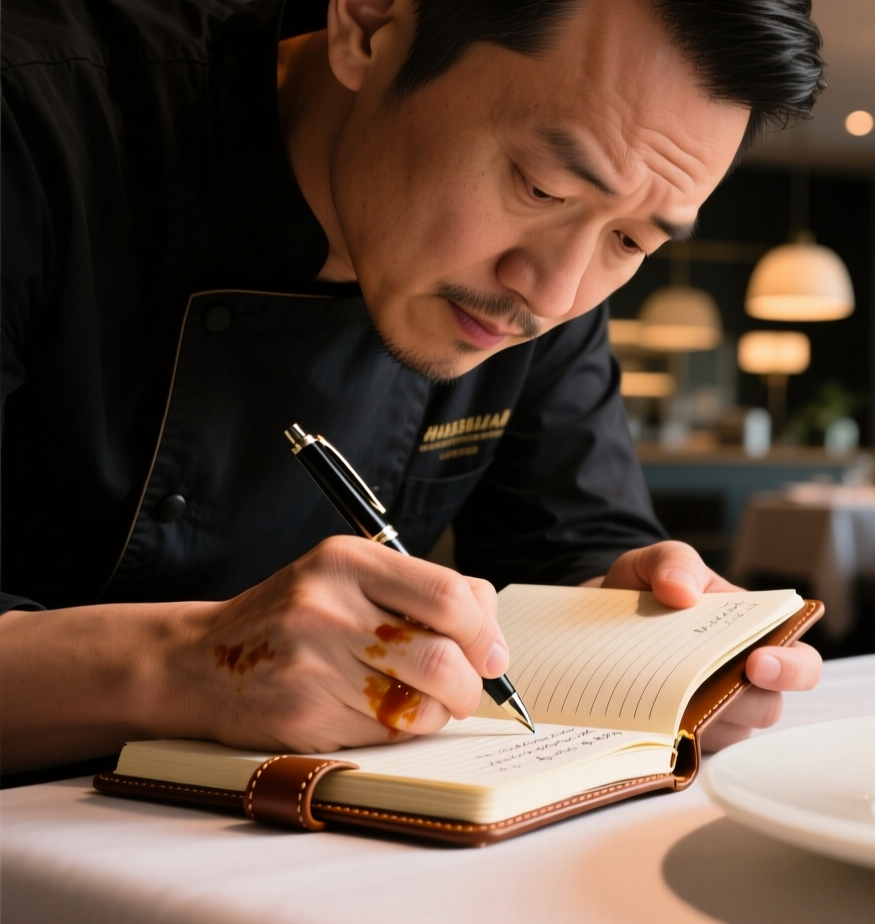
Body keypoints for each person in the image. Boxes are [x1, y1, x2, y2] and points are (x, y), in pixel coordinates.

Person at [0, 0, 826, 775]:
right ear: (369, 21)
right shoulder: (32, 118)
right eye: (541, 187)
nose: (551, 294)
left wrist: (654, 649)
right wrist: (185, 666)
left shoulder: (550, 282)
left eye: (633, 240)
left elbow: (570, 553)